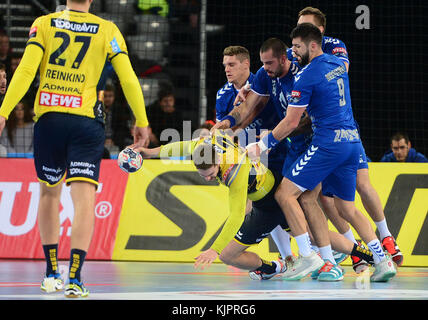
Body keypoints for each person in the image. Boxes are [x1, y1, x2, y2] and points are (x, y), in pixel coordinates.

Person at [0, 0, 150, 298]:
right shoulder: (108, 29)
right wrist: (142, 120)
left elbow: (26, 70)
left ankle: (51, 272)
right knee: (83, 199)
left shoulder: (44, 23)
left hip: (50, 118)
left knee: (49, 192)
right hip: (85, 123)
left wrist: (3, 112)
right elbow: (128, 78)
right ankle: (76, 277)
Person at [247, 23, 396, 282]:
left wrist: (262, 144)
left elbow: (292, 122)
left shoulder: (306, 75)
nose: (293, 52)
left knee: (285, 193)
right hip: (352, 142)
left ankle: (307, 256)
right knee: (346, 208)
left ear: (312, 45)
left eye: (297, 47)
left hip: (328, 144)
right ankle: (382, 261)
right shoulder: (337, 64)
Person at [134, 130, 375, 280]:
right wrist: (147, 152)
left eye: (211, 173)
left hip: (268, 204)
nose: (209, 178)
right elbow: (173, 148)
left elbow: (237, 215)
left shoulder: (235, 171)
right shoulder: (203, 145)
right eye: (203, 176)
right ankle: (367, 253)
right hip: (273, 189)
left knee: (228, 255)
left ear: (218, 161)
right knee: (312, 235)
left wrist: (214, 249)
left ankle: (271, 268)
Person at [296, 7, 403, 269]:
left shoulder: (334, 48)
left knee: (361, 184)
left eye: (305, 26)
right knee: (328, 199)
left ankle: (386, 237)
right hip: (323, 135)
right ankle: (361, 251)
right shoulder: (295, 51)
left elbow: (331, 77)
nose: (298, 31)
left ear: (318, 32)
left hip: (337, 131)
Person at [216, 45, 294, 262]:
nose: (227, 70)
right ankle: (289, 258)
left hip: (279, 150)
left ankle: (324, 247)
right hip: (251, 157)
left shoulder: (263, 80)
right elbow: (227, 132)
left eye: (231, 65)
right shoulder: (223, 94)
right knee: (266, 206)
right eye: (225, 66)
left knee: (289, 206)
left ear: (246, 64)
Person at [147, 82, 183, 147]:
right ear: (160, 102)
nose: (168, 103)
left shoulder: (178, 114)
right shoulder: (151, 110)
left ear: (174, 101)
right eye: (165, 101)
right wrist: (149, 133)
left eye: (170, 100)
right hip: (154, 143)